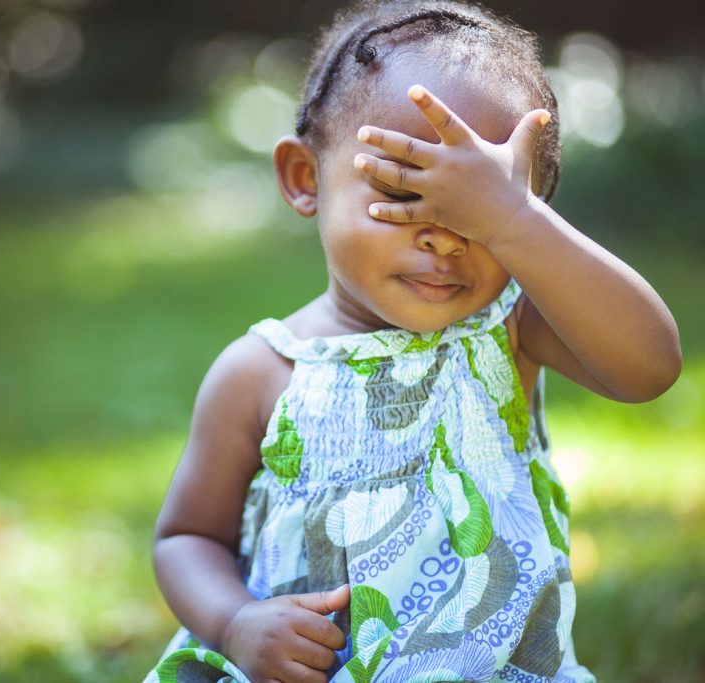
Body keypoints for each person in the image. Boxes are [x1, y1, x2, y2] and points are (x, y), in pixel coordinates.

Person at [142, 1, 682, 681]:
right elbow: (187, 536)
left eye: (479, 210)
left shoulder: (508, 329)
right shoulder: (261, 371)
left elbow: (650, 367)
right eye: (403, 193)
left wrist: (516, 223)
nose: (446, 237)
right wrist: (233, 622)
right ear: (305, 177)